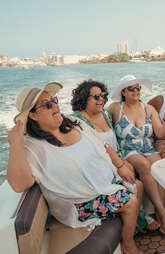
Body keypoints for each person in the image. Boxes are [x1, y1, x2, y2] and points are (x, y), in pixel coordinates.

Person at [7, 83, 144, 254]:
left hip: (104, 184)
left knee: (137, 185)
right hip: (80, 201)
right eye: (47, 104)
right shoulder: (32, 147)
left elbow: (103, 146)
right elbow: (20, 184)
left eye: (54, 100)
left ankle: (133, 231)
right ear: (33, 115)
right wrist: (15, 144)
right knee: (130, 202)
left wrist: (121, 165)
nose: (55, 106)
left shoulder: (74, 122)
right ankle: (129, 245)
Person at [70, 79, 160, 232]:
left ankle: (138, 223)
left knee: (144, 176)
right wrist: (121, 165)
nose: (101, 100)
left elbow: (116, 140)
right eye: (96, 97)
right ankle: (136, 225)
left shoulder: (105, 113)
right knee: (136, 184)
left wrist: (123, 161)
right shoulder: (77, 120)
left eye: (103, 95)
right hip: (100, 164)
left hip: (117, 159)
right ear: (84, 98)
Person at [108, 75, 165, 236]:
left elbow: (160, 133)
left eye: (138, 87)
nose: (136, 91)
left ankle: (159, 213)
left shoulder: (148, 109)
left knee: (160, 168)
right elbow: (99, 122)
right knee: (144, 165)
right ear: (123, 92)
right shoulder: (115, 108)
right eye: (131, 88)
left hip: (148, 148)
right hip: (127, 149)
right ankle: (163, 213)